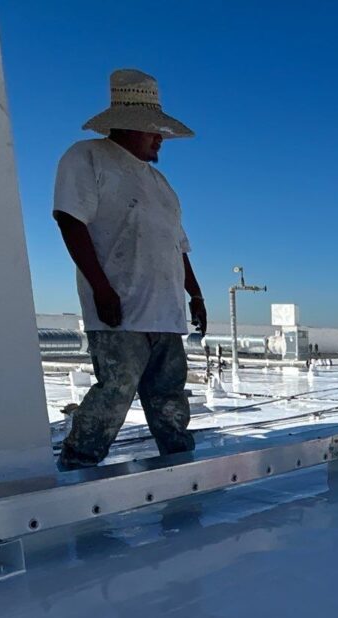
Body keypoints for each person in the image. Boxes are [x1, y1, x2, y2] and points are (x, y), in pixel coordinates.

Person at [53, 69, 209, 469]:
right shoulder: (87, 158)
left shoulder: (160, 183)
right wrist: (101, 289)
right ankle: (76, 469)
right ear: (125, 127)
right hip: (119, 309)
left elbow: (179, 245)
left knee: (169, 397)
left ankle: (181, 472)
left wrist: (195, 294)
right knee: (114, 393)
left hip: (166, 312)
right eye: (153, 130)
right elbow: (70, 220)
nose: (159, 138)